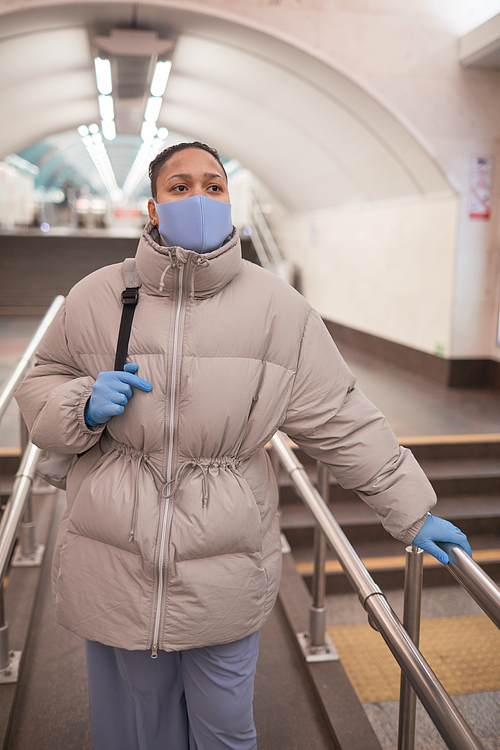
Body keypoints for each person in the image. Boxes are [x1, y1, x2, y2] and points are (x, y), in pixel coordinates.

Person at [15, 141, 471, 750]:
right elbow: (38, 383)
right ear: (152, 207)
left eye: (213, 185)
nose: (198, 199)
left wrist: (412, 509)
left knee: (225, 728)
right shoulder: (98, 296)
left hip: (225, 559)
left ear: (230, 200)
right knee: (138, 728)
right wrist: (80, 404)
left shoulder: (279, 308)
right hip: (115, 553)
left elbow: (341, 417)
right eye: (180, 188)